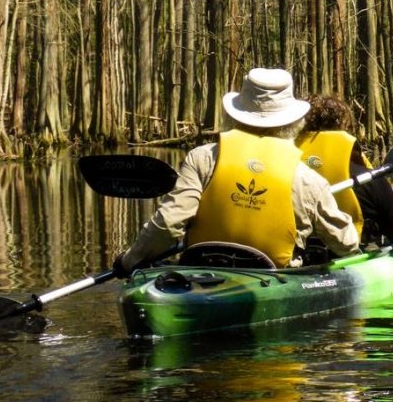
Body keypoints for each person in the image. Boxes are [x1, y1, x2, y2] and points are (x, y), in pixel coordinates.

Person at [114, 69, 359, 274]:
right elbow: (346, 243)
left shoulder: (202, 158)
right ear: (292, 121)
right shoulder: (309, 179)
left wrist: (130, 260)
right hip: (273, 276)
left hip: (200, 271)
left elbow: (168, 224)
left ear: (237, 113)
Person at [296, 96, 393, 250]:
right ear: (345, 129)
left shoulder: (289, 171)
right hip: (348, 255)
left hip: (300, 254)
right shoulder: (368, 180)